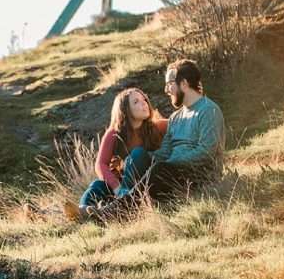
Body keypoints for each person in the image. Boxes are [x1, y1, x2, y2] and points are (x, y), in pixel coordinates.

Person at [68, 59, 225, 222]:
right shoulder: (175, 118)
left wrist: (170, 163)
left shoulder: (208, 110)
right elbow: (164, 152)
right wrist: (135, 161)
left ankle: (112, 212)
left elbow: (207, 152)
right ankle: (89, 210)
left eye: (169, 84)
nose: (166, 90)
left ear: (184, 83)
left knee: (158, 170)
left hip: (198, 174)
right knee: (140, 160)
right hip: (172, 171)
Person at [64, 88, 168, 221]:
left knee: (138, 154)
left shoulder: (158, 126)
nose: (144, 104)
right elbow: (100, 164)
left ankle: (115, 206)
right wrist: (117, 187)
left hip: (145, 183)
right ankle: (82, 211)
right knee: (97, 185)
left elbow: (180, 122)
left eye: (145, 100)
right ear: (125, 110)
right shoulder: (114, 134)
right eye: (136, 102)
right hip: (120, 187)